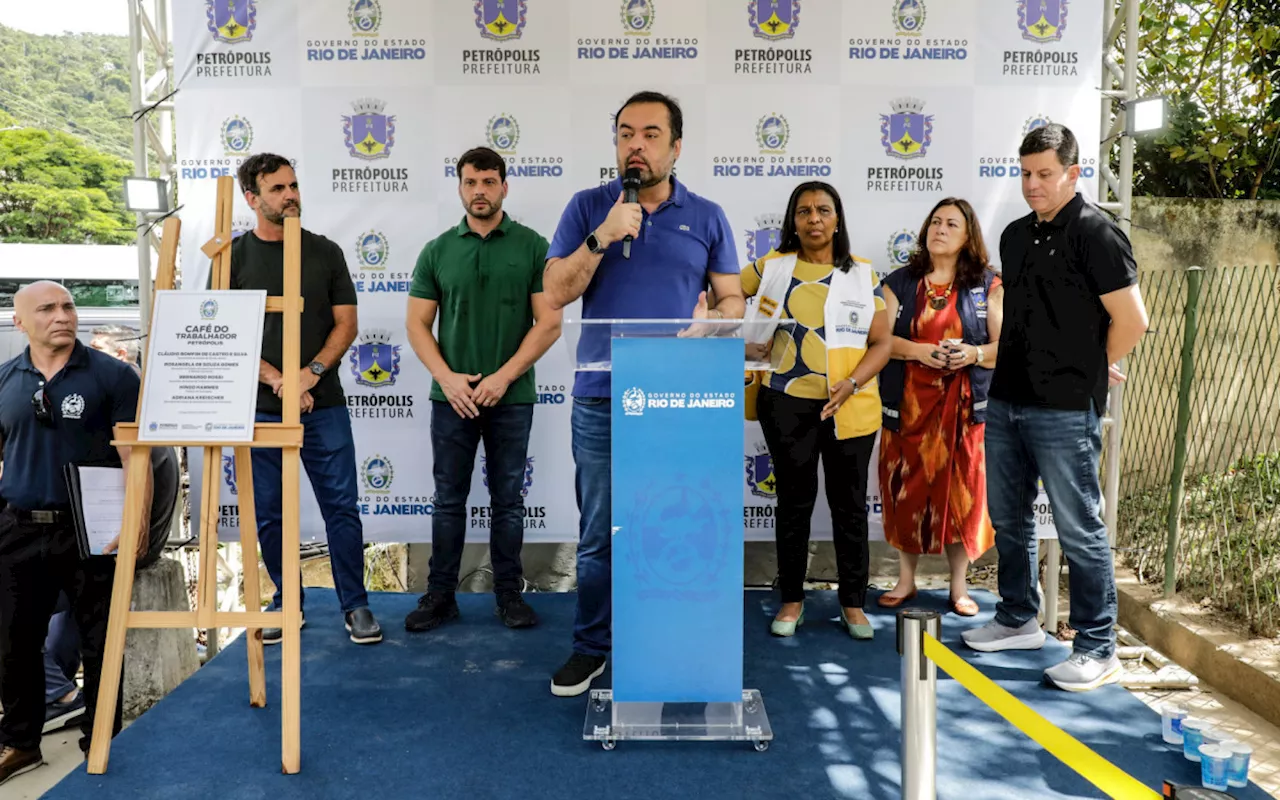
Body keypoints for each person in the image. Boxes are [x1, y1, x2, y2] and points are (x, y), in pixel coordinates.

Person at [542, 90, 744, 697]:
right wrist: (602, 237)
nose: (636, 144)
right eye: (626, 133)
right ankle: (592, 647)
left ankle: (674, 641)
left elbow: (732, 299)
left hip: (679, 393)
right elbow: (555, 292)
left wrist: (716, 323)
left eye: (651, 134)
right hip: (602, 395)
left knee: (677, 521)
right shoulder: (588, 208)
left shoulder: (706, 216)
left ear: (676, 146)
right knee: (601, 531)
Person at [961, 124, 1149, 692]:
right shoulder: (1016, 236)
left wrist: (1092, 369)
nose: (1033, 184)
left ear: (1073, 173)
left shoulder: (1097, 233)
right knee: (1008, 518)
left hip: (1066, 409)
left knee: (1079, 527)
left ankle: (1097, 645)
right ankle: (1018, 616)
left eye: (1045, 174)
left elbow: (1133, 322)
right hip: (1008, 399)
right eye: (1025, 173)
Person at [403, 147, 560, 632]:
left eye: (489, 182)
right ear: (459, 188)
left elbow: (549, 323)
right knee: (448, 499)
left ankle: (509, 596)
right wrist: (448, 379)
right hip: (452, 398)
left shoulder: (534, 246)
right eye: (471, 182)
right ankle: (440, 595)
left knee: (508, 500)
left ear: (505, 187)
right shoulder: (438, 250)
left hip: (509, 397)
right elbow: (416, 324)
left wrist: (502, 377)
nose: (480, 191)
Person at [230, 153, 381, 646]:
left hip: (325, 403)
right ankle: (286, 601)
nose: (290, 195)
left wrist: (309, 375)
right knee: (271, 511)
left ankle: (355, 605)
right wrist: (279, 380)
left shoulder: (325, 251)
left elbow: (347, 324)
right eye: (276, 189)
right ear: (252, 199)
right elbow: (227, 334)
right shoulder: (232, 259)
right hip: (260, 406)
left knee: (342, 508)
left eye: (293, 185)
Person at [0, 282, 145, 783]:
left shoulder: (113, 376)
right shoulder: (5, 380)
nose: (62, 316)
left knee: (101, 641)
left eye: (67, 306)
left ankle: (103, 737)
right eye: (46, 309)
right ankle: (20, 742)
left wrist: (135, 522)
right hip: (18, 529)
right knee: (14, 642)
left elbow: (135, 458)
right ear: (20, 322)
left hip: (92, 532)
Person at [741, 181, 891, 640]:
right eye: (803, 211)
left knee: (849, 508)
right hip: (786, 404)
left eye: (823, 210)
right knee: (793, 505)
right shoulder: (771, 268)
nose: (813, 219)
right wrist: (741, 338)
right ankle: (791, 600)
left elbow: (882, 342)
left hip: (849, 405)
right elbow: (724, 297)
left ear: (837, 219)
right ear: (793, 221)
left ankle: (853, 603)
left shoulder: (864, 275)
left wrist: (852, 382)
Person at [25, 325, 183, 738]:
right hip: (106, 538)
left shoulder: (123, 422)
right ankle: (59, 690)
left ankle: (58, 693)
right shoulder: (123, 420)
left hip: (119, 542)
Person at [877, 199, 1002, 617]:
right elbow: (879, 342)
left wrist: (970, 354)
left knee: (963, 494)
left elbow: (1004, 349)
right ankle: (906, 580)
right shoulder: (898, 282)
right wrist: (920, 351)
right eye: (935, 221)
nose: (940, 229)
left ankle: (958, 585)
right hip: (908, 407)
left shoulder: (989, 285)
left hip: (964, 412)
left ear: (969, 236)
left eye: (952, 223)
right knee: (904, 491)